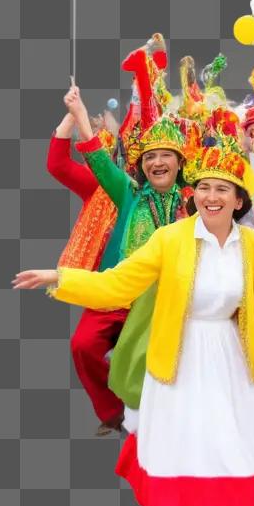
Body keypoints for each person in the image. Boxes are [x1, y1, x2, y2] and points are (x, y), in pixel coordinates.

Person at [14, 136, 254, 506]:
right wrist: (61, 276)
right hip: (181, 357)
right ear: (194, 195)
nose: (212, 196)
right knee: (194, 445)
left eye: (223, 189)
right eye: (204, 187)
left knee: (226, 444)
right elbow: (118, 283)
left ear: (239, 198)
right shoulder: (170, 239)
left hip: (231, 358)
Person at [63, 87, 191, 422]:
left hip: (168, 300)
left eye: (165, 155)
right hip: (118, 294)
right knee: (82, 345)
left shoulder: (195, 202)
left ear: (180, 162)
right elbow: (100, 162)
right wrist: (79, 114)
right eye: (150, 157)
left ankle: (165, 416)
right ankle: (111, 411)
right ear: (142, 166)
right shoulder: (129, 194)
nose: (157, 162)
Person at [47, 110, 125, 433]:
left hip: (149, 292)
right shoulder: (100, 186)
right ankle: (114, 411)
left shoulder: (159, 187)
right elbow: (58, 165)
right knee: (83, 345)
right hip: (106, 292)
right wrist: (69, 117)